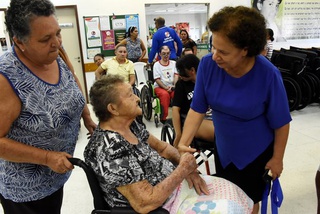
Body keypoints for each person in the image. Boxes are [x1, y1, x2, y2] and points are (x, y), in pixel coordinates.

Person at [177, 6, 291, 214]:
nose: (215, 55)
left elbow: (282, 122)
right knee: (228, 196)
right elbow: (197, 109)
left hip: (256, 152)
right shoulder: (208, 66)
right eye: (213, 47)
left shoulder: (268, 75)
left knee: (250, 201)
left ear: (245, 50)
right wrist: (183, 142)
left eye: (223, 51)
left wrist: (277, 159)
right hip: (225, 148)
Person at [84, 74, 254, 214]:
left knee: (235, 192)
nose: (137, 98)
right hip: (162, 206)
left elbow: (163, 148)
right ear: (113, 109)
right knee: (230, 208)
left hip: (174, 188)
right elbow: (145, 202)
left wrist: (189, 169)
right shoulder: (110, 148)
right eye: (130, 95)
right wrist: (182, 171)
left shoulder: (130, 124)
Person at [0, 0, 97, 213]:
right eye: (45, 39)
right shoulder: (7, 77)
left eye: (58, 33)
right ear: (19, 42)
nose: (57, 42)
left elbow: (71, 80)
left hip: (55, 175)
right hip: (25, 190)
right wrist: (46, 157)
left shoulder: (53, 53)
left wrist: (86, 116)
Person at [172, 54, 214, 148]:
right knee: (222, 132)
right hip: (195, 119)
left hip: (213, 115)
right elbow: (175, 109)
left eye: (182, 72)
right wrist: (178, 134)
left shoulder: (207, 80)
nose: (180, 75)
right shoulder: (181, 84)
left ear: (192, 70)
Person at [153, 46, 179, 124]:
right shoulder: (156, 65)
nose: (166, 55)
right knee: (165, 95)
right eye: (164, 54)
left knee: (177, 94)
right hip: (160, 87)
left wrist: (174, 86)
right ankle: (164, 117)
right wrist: (165, 87)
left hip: (172, 86)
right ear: (160, 54)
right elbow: (157, 79)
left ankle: (178, 115)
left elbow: (176, 75)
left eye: (168, 53)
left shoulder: (173, 63)